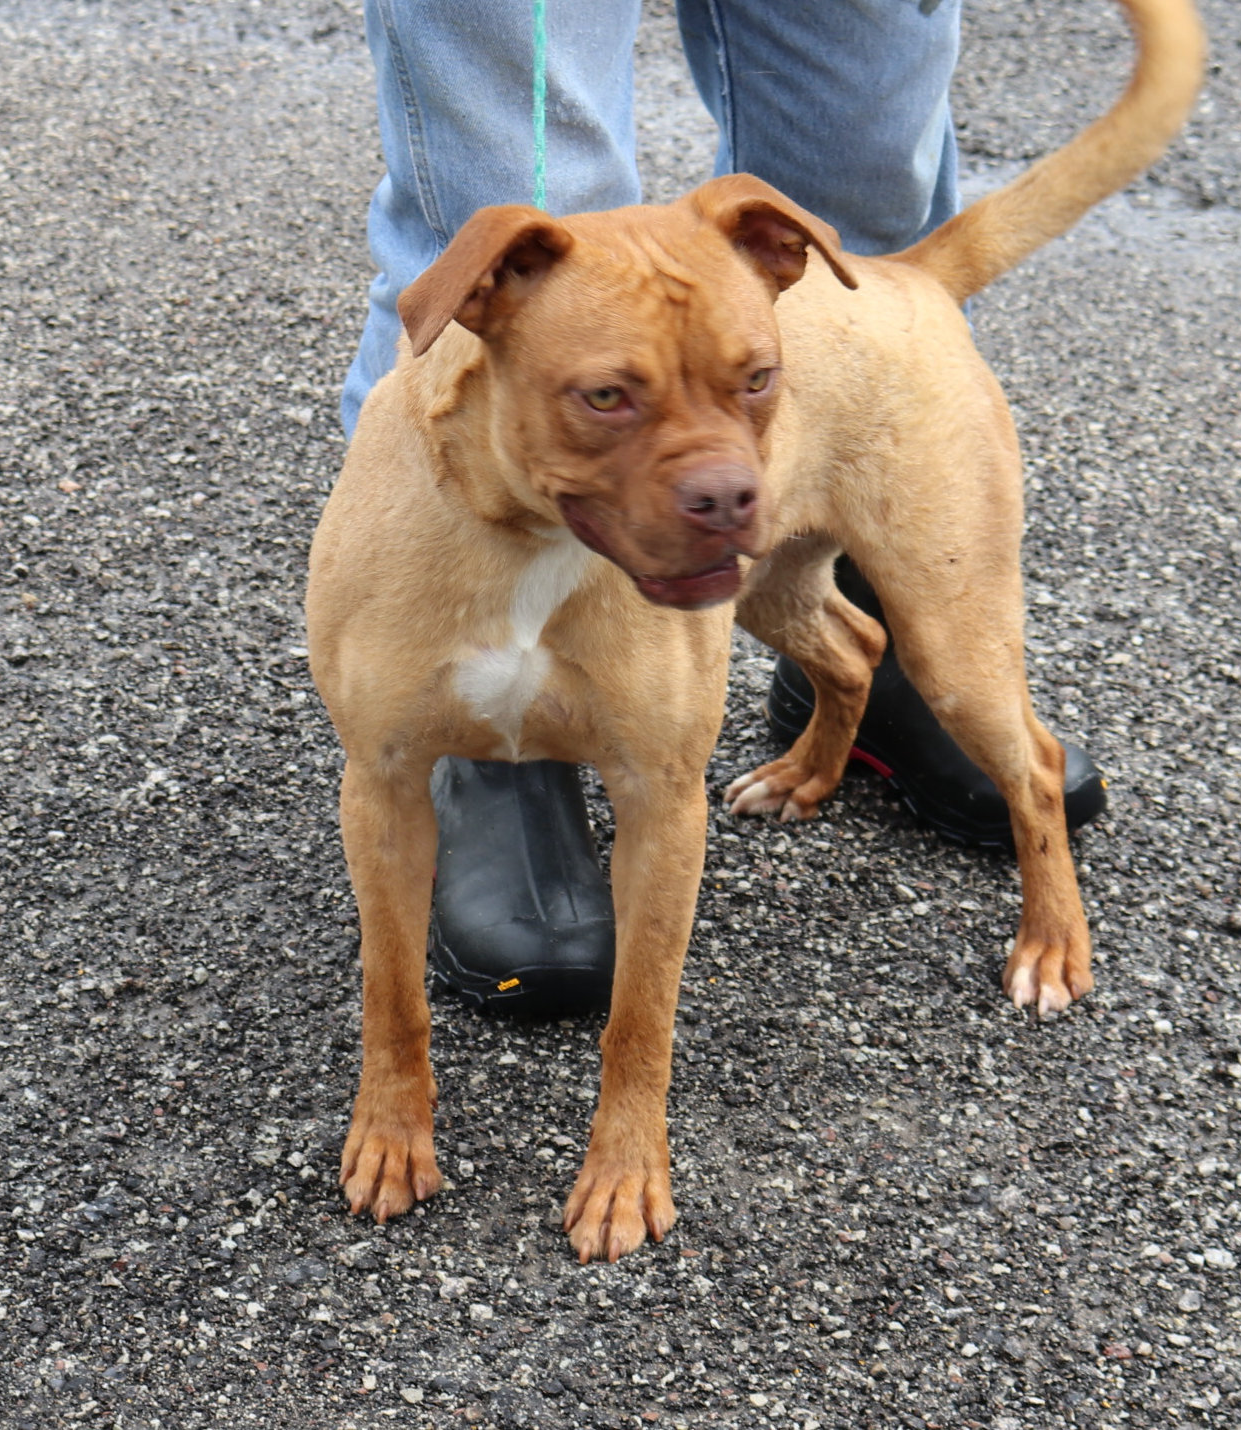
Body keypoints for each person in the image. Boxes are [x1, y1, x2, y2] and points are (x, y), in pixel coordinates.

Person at [341, 0, 1104, 1017]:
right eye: (611, 396)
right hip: (514, 427)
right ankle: (498, 735)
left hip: (880, 375)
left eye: (755, 389)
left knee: (862, 160)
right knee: (528, 173)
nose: (733, 477)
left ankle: (984, 777)